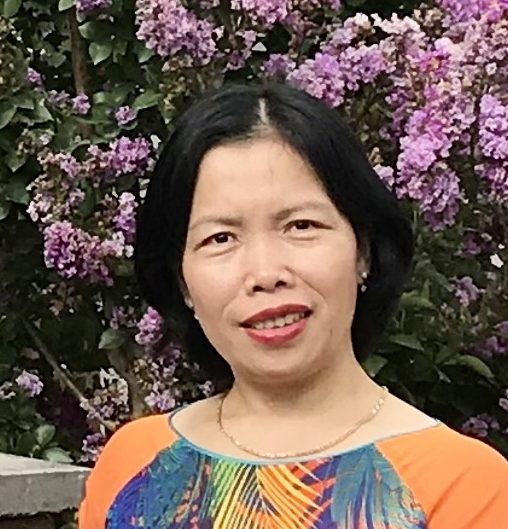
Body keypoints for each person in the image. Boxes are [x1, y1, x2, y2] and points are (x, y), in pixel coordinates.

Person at [78, 82, 508, 529]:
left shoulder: (464, 486)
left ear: (363, 251)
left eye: (301, 225)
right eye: (220, 238)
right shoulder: (135, 466)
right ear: (181, 280)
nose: (266, 273)